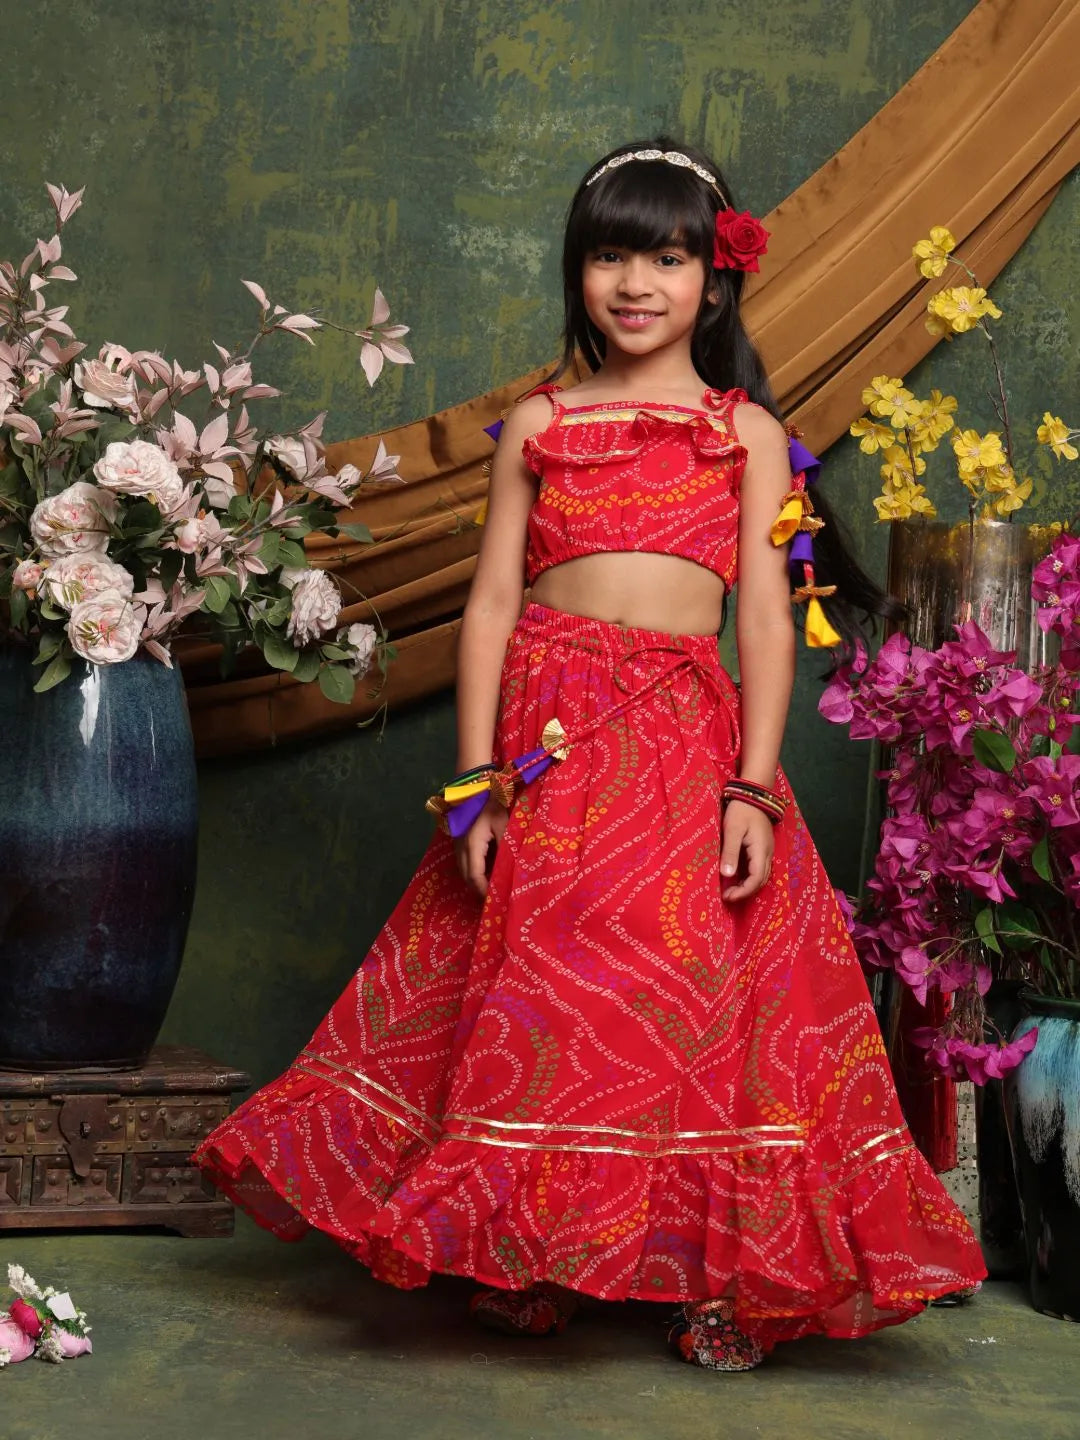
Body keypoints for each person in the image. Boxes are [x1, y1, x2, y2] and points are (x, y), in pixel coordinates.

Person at [195, 139, 986, 1372]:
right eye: (610, 254)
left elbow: (766, 622)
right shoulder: (541, 425)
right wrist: (473, 791)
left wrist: (756, 789)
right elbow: (493, 609)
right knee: (546, 999)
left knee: (701, 1005)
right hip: (552, 757)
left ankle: (732, 1276)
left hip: (686, 751)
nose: (636, 282)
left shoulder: (746, 435)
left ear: (713, 283)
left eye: (667, 257)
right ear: (577, 273)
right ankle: (528, 1250)